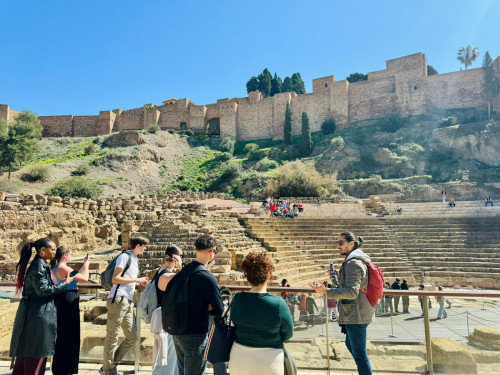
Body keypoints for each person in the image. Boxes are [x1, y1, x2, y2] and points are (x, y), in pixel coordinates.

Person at [310, 232, 375, 375]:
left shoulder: (353, 263)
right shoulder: (355, 259)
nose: (338, 246)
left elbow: (352, 292)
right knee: (351, 346)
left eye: (341, 243)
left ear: (351, 244)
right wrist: (338, 277)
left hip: (356, 313)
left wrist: (326, 292)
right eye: (337, 242)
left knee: (360, 355)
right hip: (355, 311)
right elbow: (352, 285)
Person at [10, 238, 76, 375]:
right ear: (42, 251)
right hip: (38, 315)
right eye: (52, 249)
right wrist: (66, 283)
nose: (54, 252)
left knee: (29, 352)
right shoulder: (39, 267)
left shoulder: (40, 264)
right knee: (36, 353)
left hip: (36, 313)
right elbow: (44, 290)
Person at [229, 252, 294, 375]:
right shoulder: (278, 304)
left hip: (239, 359)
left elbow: (235, 321)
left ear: (247, 276)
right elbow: (288, 333)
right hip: (270, 361)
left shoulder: (237, 298)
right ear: (268, 275)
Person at [171, 234, 224, 375]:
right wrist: (209, 307)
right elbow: (219, 309)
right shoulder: (207, 277)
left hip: (178, 332)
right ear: (211, 252)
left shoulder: (184, 271)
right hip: (195, 335)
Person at [101, 236, 150, 375]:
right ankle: (109, 370)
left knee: (133, 336)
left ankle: (108, 366)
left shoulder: (135, 260)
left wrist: (138, 284)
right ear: (139, 245)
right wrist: (137, 279)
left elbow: (126, 280)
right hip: (118, 300)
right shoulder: (124, 257)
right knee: (112, 337)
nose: (146, 249)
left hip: (128, 301)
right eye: (144, 246)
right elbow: (115, 279)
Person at [51, 246, 91, 375]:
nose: (72, 256)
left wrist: (85, 264)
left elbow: (77, 275)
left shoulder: (59, 268)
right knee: (69, 334)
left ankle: (62, 367)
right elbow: (84, 279)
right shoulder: (64, 268)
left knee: (66, 333)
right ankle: (63, 368)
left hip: (64, 298)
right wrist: (88, 265)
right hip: (68, 298)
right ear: (64, 255)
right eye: (71, 254)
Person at [154, 245, 183, 375]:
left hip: (165, 320)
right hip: (166, 322)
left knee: (171, 358)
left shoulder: (161, 270)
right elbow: (188, 281)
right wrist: (181, 267)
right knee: (166, 359)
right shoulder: (168, 276)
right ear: (176, 258)